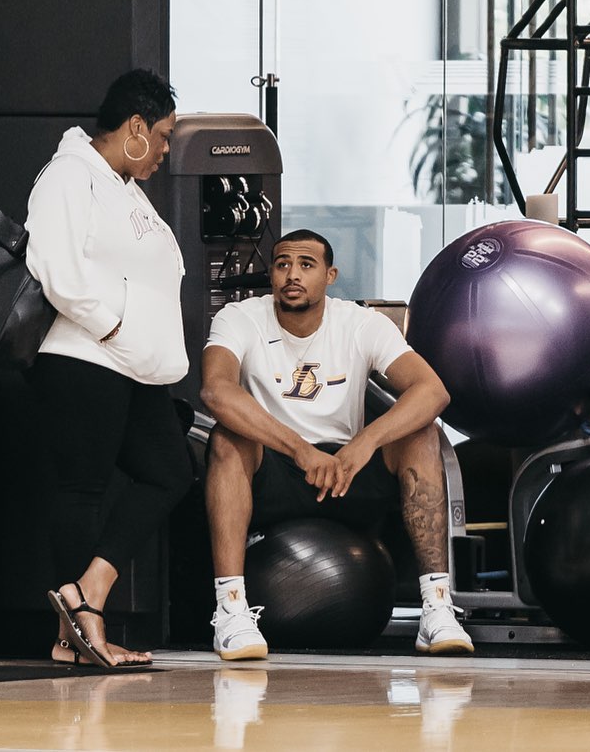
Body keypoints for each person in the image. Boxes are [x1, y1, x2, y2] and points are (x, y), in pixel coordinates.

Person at [200, 229, 474, 659]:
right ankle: (232, 611)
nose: (293, 274)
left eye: (306, 265)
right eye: (283, 264)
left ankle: (437, 607)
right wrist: (298, 449)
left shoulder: (360, 323)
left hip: (348, 471)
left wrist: (364, 443)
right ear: (271, 274)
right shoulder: (239, 317)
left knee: (421, 435)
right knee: (226, 439)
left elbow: (432, 391)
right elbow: (216, 392)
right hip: (277, 472)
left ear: (330, 275)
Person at [24, 68, 193, 667]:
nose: (167, 152)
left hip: (130, 366)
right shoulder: (69, 176)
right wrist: (114, 324)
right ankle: (77, 629)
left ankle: (87, 594)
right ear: (137, 127)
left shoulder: (120, 185)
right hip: (84, 359)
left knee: (170, 472)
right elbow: (55, 268)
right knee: (83, 490)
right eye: (166, 137)